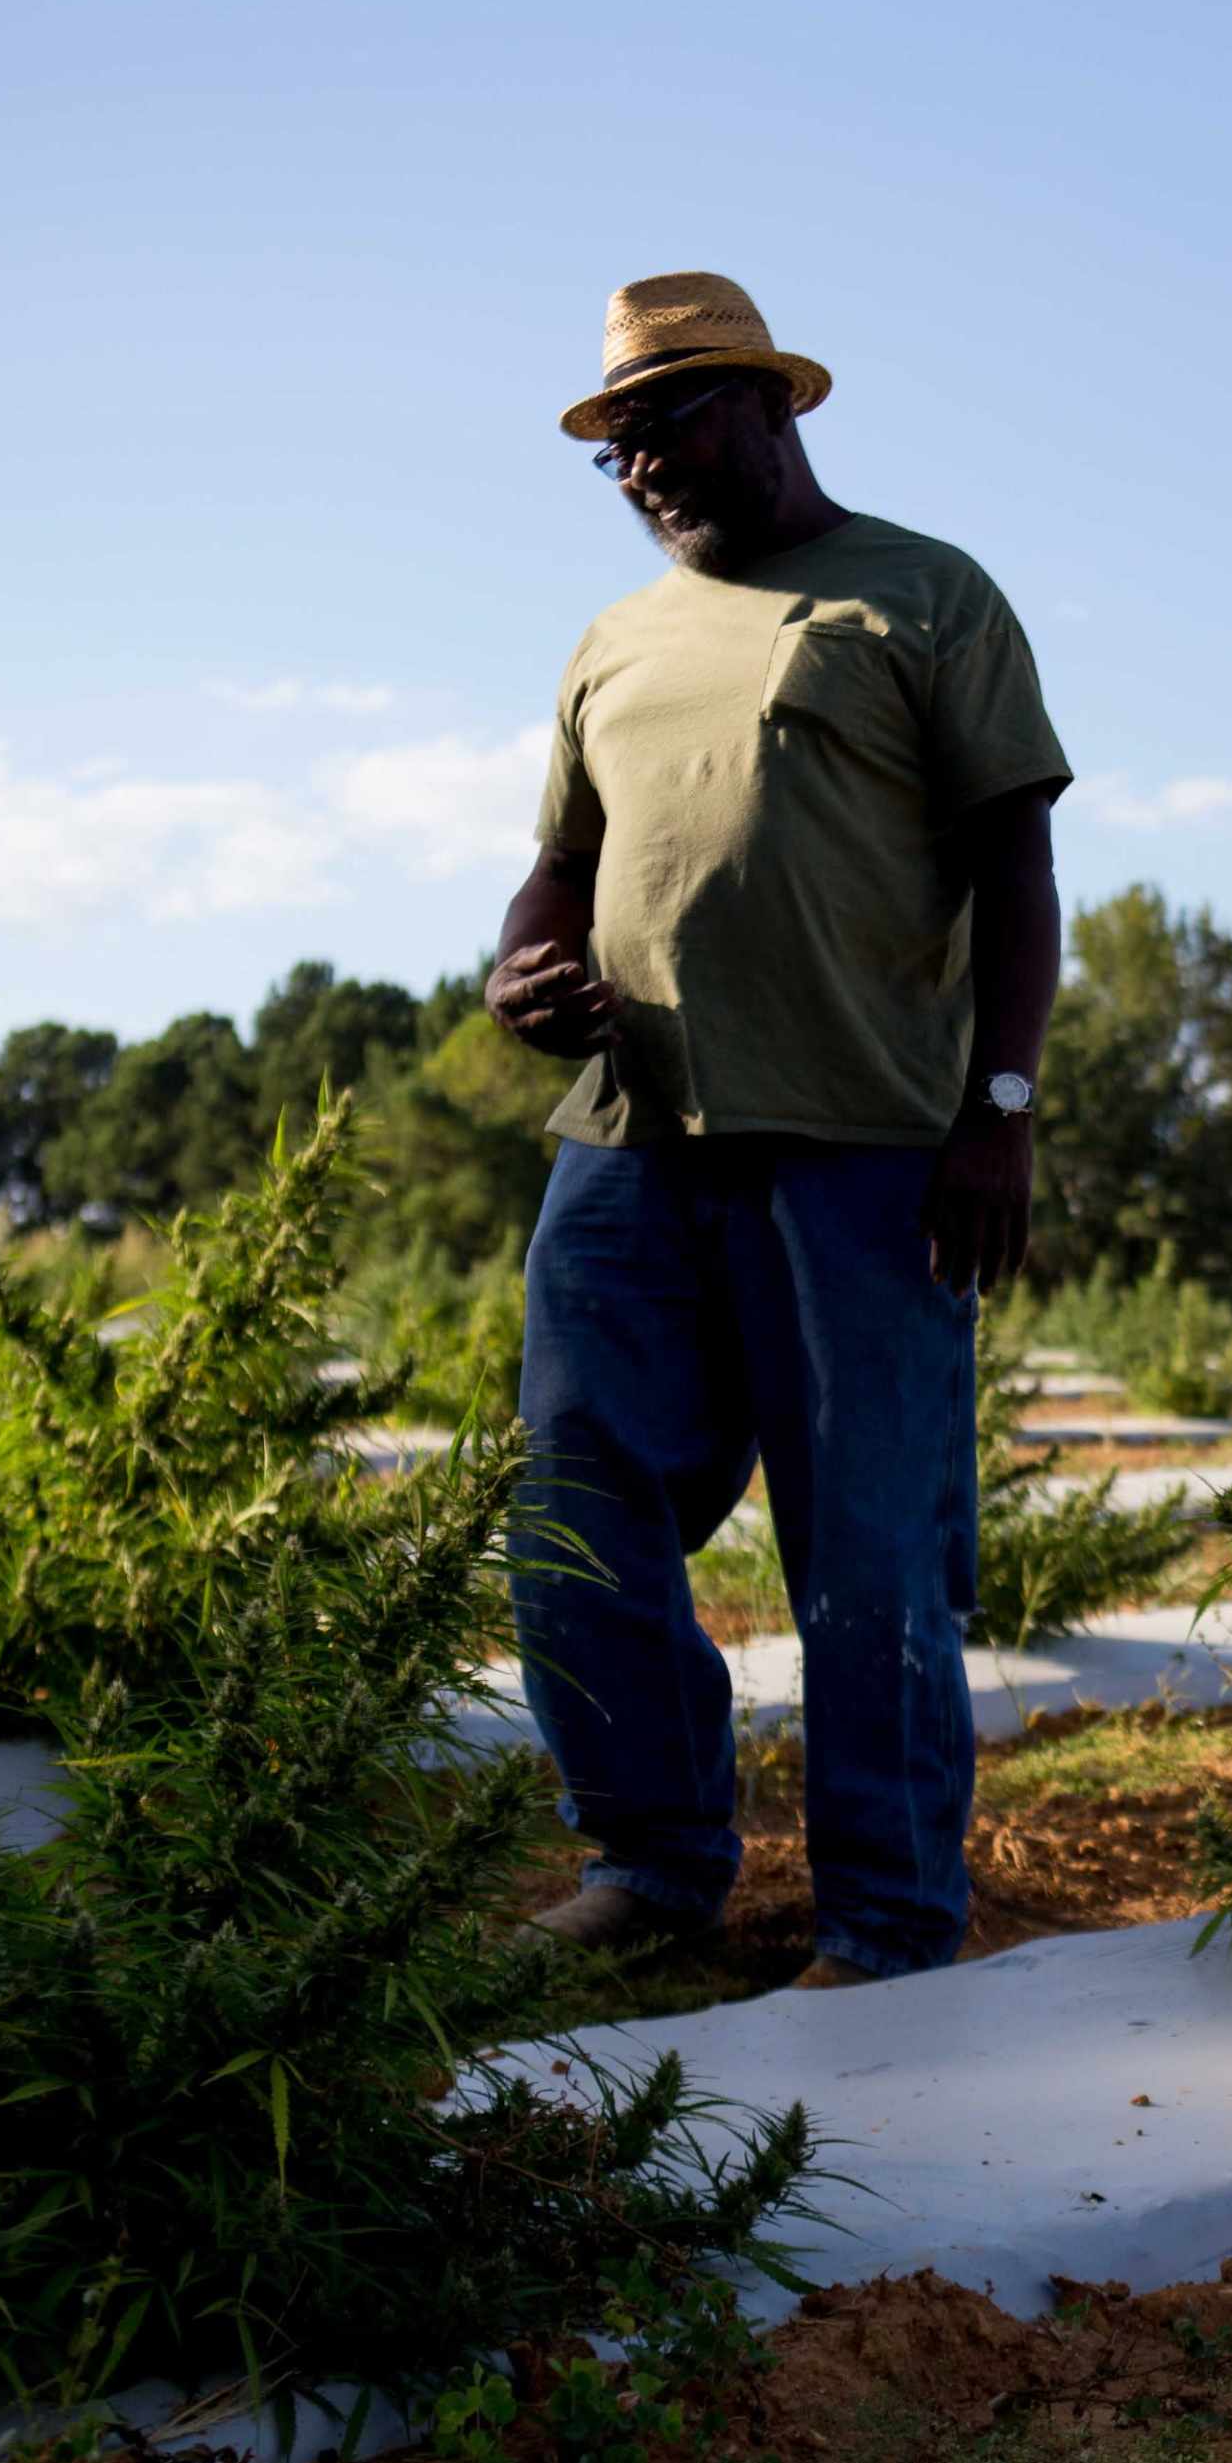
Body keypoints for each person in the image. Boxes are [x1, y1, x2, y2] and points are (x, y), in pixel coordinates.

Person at [486, 270, 1066, 1985]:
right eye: (613, 447)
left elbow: (1019, 868)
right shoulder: (615, 639)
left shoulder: (924, 595)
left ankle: (888, 1921)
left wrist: (1002, 1111)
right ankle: (655, 1865)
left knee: (867, 1549)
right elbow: (561, 872)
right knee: (574, 1519)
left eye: (665, 425)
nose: (642, 466)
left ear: (770, 405)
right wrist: (518, 968)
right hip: (627, 1149)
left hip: (867, 1149)